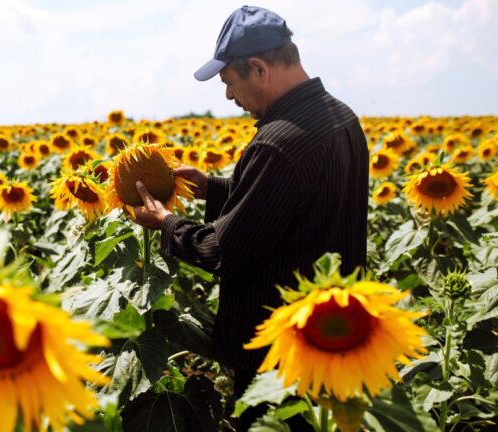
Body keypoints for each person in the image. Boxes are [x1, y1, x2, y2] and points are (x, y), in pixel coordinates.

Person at [130, 5, 369, 430]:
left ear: (258, 68)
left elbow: (223, 251)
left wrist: (165, 222)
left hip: (276, 351)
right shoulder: (341, 117)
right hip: (331, 331)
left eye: (229, 82)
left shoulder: (277, 141)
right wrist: (215, 188)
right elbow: (299, 204)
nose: (228, 97)